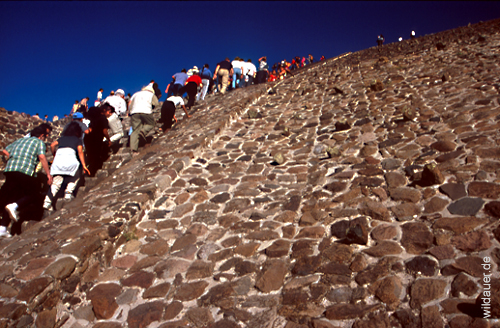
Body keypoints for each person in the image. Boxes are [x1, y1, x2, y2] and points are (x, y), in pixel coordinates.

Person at [0, 126, 52, 237]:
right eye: (45, 136)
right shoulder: (39, 142)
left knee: (11, 198)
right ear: (41, 135)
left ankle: (2, 228)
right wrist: (48, 174)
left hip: (10, 170)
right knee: (33, 194)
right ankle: (15, 207)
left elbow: (4, 150)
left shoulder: (20, 140)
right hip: (24, 171)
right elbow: (42, 157)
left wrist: (13, 158)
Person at [43, 122, 90, 211]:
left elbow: (52, 145)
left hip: (58, 161)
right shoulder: (77, 140)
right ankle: (68, 193)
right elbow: (80, 151)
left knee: (56, 183)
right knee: (75, 176)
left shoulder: (62, 138)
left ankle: (47, 202)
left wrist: (54, 154)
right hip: (70, 159)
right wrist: (84, 165)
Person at [128, 85, 158, 153]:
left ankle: (133, 149)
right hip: (146, 111)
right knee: (151, 124)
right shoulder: (151, 94)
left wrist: (130, 112)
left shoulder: (135, 94)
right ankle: (143, 131)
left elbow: (130, 104)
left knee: (135, 130)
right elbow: (156, 104)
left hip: (134, 112)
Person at [84, 106, 112, 176]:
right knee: (96, 156)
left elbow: (89, 129)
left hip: (88, 139)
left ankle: (89, 171)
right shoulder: (103, 118)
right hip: (97, 139)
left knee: (91, 156)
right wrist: (109, 139)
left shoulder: (93, 120)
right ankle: (93, 172)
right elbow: (104, 130)